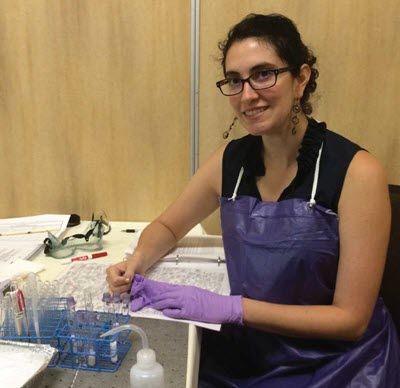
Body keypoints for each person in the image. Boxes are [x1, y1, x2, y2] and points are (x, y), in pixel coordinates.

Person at [106, 13, 400, 387]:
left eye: (263, 74)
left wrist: (232, 308)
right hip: (252, 349)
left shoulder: (357, 173)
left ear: (301, 78)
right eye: (234, 80)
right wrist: (135, 262)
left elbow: (351, 320)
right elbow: (167, 225)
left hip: (337, 364)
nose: (247, 95)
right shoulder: (229, 162)